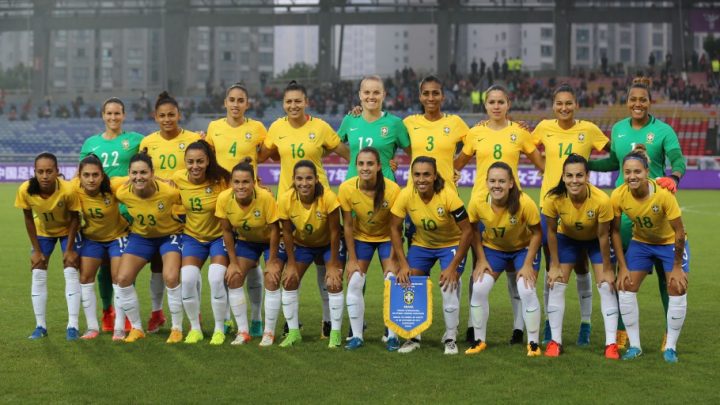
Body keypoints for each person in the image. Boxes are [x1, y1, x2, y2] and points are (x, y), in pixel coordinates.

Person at [588, 77, 686, 349]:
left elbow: (677, 159)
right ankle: (621, 331)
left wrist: (675, 177)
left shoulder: (664, 131)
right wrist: (585, 163)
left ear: (649, 102)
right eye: (633, 99)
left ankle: (669, 333)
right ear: (627, 102)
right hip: (625, 210)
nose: (638, 104)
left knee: (668, 276)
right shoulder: (618, 129)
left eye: (643, 99)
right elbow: (613, 162)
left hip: (656, 210)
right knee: (625, 273)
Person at [454, 84, 543, 345]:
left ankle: (518, 329)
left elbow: (541, 164)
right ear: (485, 106)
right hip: (481, 208)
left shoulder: (519, 132)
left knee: (516, 273)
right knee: (479, 268)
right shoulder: (475, 133)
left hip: (513, 207)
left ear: (508, 104)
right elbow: (457, 164)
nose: (496, 106)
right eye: (491, 102)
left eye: (500, 102)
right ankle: (473, 326)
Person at [264, 81, 349, 337]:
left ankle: (327, 324)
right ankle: (292, 324)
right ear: (283, 104)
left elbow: (348, 153)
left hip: (322, 202)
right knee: (290, 272)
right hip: (289, 205)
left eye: (297, 101)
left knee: (328, 274)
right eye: (289, 102)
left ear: (306, 102)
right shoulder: (276, 127)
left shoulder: (320, 127)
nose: (293, 106)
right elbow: (261, 155)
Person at [532, 85, 609, 346]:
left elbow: (613, 154)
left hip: (582, 202)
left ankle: (585, 324)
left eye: (568, 103)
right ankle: (548, 323)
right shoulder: (543, 127)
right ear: (553, 106)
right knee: (552, 266)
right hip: (551, 206)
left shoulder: (588, 129)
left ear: (576, 104)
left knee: (581, 265)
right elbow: (524, 145)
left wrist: (638, 152)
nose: (564, 107)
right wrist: (544, 169)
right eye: (559, 103)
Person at [206, 83, 273, 338]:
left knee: (252, 263)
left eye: (241, 100)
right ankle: (228, 321)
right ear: (225, 103)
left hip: (250, 199)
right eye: (231, 99)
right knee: (228, 270)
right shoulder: (214, 128)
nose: (236, 104)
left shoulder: (257, 128)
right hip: (223, 201)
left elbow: (266, 154)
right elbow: (206, 156)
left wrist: (255, 183)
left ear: (247, 103)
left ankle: (255, 319)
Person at [610, 146, 689, 363]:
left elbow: (679, 232)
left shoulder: (664, 195)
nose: (632, 176)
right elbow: (614, 231)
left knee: (677, 286)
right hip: (641, 243)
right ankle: (635, 346)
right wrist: (623, 265)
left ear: (647, 172)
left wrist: (676, 267)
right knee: (625, 286)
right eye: (627, 172)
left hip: (668, 243)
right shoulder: (618, 195)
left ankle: (670, 347)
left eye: (637, 172)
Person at [390, 156, 472, 355]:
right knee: (409, 282)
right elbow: (393, 228)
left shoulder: (448, 195)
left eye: (426, 174)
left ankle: (451, 337)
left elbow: (467, 231)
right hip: (422, 245)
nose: (421, 179)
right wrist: (402, 263)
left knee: (448, 285)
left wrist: (453, 266)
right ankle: (413, 337)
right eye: (417, 174)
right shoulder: (406, 194)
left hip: (450, 244)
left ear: (435, 176)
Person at [542, 154, 619, 359]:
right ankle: (555, 341)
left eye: (579, 175)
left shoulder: (601, 200)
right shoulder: (553, 199)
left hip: (595, 240)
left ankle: (611, 344)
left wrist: (608, 268)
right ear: (563, 177)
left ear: (587, 176)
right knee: (557, 283)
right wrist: (554, 265)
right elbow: (550, 232)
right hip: (567, 239)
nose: (574, 180)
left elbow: (604, 235)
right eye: (569, 176)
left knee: (606, 284)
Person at [79, 97, 143, 333]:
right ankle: (108, 310)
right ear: (103, 115)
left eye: (117, 113)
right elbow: (82, 176)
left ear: (124, 115)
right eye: (109, 113)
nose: (113, 118)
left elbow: (150, 160)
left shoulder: (135, 140)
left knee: (123, 268)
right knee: (104, 269)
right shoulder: (91, 143)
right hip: (99, 216)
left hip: (126, 212)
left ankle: (125, 312)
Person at [139, 91, 201, 333]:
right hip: (157, 212)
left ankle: (196, 314)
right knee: (157, 265)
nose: (167, 119)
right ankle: (157, 313)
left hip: (187, 211)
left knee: (189, 267)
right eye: (162, 115)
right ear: (155, 117)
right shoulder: (147, 143)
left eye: (171, 115)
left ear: (179, 115)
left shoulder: (195, 139)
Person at [465, 162, 542, 357]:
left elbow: (537, 233)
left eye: (501, 181)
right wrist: (481, 259)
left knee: (526, 289)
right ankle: (479, 340)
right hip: (494, 249)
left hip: (522, 249)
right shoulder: (477, 201)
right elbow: (473, 229)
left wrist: (527, 265)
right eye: (492, 181)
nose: (496, 185)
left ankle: (533, 343)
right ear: (486, 182)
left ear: (510, 184)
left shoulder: (525, 203)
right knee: (479, 287)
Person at [114, 153, 184, 343]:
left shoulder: (169, 192)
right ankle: (136, 328)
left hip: (169, 236)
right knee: (123, 278)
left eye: (144, 172)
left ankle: (177, 328)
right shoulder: (122, 193)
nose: (139, 177)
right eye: (134, 173)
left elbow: (187, 202)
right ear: (128, 173)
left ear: (152, 173)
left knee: (170, 276)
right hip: (141, 238)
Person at [277, 160, 346, 348]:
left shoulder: (329, 198)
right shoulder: (285, 199)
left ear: (316, 179)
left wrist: (332, 264)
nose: (304, 183)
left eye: (309, 178)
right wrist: (290, 264)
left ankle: (335, 333)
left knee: (333, 282)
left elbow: (334, 232)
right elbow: (287, 233)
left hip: (327, 245)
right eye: (299, 179)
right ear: (293, 180)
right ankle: (293, 333)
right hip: (303, 245)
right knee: (289, 281)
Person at [216, 161, 285, 347]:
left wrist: (271, 260)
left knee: (271, 277)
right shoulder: (223, 199)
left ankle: (269, 333)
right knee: (233, 277)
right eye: (236, 182)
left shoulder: (265, 198)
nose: (240, 186)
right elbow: (227, 231)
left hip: (269, 241)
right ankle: (243, 331)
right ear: (231, 183)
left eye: (245, 182)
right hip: (247, 242)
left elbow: (274, 230)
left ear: (254, 182)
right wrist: (232, 262)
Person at [338, 147, 401, 350]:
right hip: (361, 238)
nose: (365, 168)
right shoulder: (346, 188)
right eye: (361, 164)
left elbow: (395, 228)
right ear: (356, 166)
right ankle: (357, 336)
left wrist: (392, 258)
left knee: (392, 281)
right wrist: (352, 259)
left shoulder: (392, 190)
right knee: (355, 281)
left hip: (387, 239)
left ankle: (392, 335)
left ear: (378, 166)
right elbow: (347, 226)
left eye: (370, 164)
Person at [15, 153, 82, 340]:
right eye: (40, 172)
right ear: (35, 172)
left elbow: (76, 218)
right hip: (43, 233)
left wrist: (69, 249)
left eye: (49, 171)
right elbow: (28, 219)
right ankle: (40, 326)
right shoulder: (26, 190)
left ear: (57, 172)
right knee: (37, 272)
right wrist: (36, 250)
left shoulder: (68, 190)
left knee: (70, 270)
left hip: (67, 231)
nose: (45, 176)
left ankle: (73, 326)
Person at [171, 140, 231, 345]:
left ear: (208, 162)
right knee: (187, 279)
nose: (194, 166)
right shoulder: (178, 178)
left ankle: (219, 329)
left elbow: (244, 189)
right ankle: (195, 329)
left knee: (216, 278)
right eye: (190, 162)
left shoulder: (222, 180)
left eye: (199, 161)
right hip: (192, 237)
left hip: (218, 237)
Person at [73, 155, 130, 340]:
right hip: (92, 239)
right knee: (85, 278)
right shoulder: (73, 188)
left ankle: (119, 327)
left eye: (95, 175)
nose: (91, 179)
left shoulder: (113, 186)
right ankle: (92, 327)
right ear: (79, 176)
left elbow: (137, 177)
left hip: (117, 237)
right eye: (86, 175)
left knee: (118, 278)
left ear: (102, 175)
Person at [337, 75, 410, 182]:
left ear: (383, 95)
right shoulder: (350, 120)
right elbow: (333, 144)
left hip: (385, 187)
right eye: (366, 92)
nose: (371, 96)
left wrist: (392, 161)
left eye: (376, 92)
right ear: (360, 95)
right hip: (353, 186)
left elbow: (414, 153)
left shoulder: (395, 123)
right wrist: (352, 158)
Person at [403, 75, 470, 191]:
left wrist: (455, 166)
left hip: (446, 192)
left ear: (443, 96)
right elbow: (388, 141)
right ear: (420, 97)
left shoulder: (455, 122)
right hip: (415, 193)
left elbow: (474, 144)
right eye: (426, 93)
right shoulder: (409, 122)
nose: (431, 98)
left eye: (435, 93)